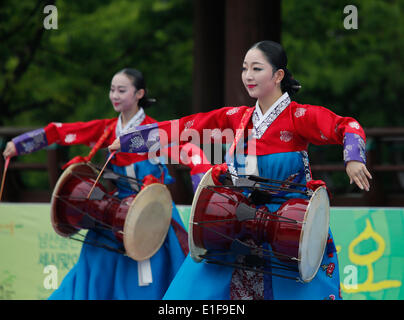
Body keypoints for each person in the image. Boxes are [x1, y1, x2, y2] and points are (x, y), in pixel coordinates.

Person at [108, 41, 372, 300]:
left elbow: (347, 126)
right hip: (236, 224)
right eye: (245, 68)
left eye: (256, 69)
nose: (248, 76)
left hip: (289, 227)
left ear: (278, 75)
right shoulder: (236, 118)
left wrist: (353, 158)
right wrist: (132, 140)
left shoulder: (298, 116)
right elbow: (184, 127)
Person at [2, 68, 202, 300]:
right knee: (94, 264)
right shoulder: (107, 130)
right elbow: (61, 131)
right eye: (112, 90)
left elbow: (190, 150)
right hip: (113, 213)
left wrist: (201, 183)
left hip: (152, 211)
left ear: (139, 94)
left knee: (160, 273)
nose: (114, 95)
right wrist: (21, 144)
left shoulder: (153, 131)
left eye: (121, 90)